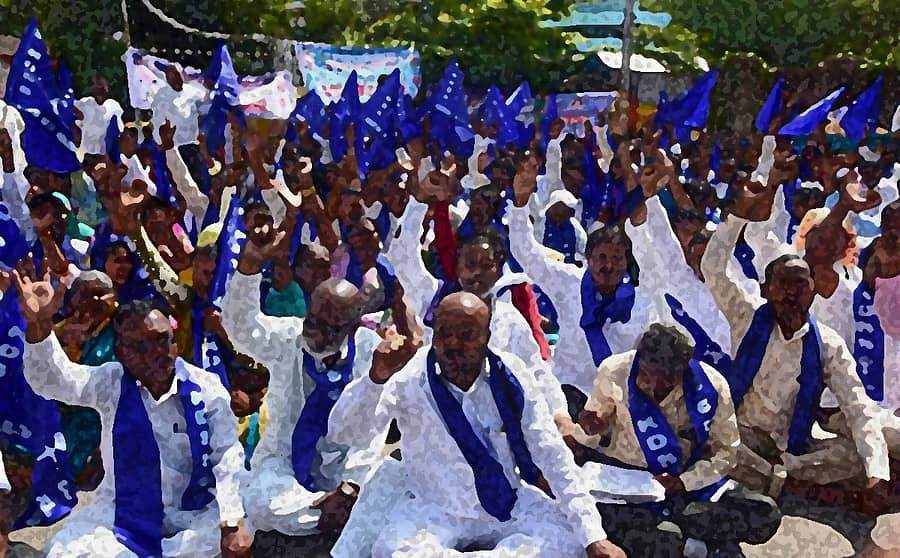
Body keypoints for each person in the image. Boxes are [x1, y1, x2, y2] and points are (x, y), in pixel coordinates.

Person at [333, 292, 626, 558]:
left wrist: (594, 538)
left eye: (466, 335)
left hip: (507, 503)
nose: (452, 344)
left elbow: (552, 456)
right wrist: (375, 381)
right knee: (394, 552)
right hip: (436, 506)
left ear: (487, 336)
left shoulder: (512, 377)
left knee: (569, 542)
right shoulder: (410, 376)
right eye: (444, 334)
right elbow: (345, 433)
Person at [10, 261, 250, 558]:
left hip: (193, 516)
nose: (157, 354)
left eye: (163, 340)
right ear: (122, 353)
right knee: (65, 552)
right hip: (121, 513)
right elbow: (53, 380)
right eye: (140, 347)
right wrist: (39, 325)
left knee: (235, 531)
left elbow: (226, 457)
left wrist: (230, 522)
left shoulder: (206, 389)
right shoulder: (111, 382)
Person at [700, 179, 894, 498]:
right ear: (765, 290)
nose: (791, 293)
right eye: (783, 284)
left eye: (800, 285)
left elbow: (857, 406)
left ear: (812, 291)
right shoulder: (747, 316)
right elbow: (714, 269)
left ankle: (775, 478)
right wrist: (736, 217)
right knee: (718, 438)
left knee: (855, 456)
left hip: (793, 447)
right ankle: (782, 482)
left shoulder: (826, 344)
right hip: (742, 432)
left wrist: (877, 473)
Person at [220, 225, 384, 541]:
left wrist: (350, 488)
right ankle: (323, 512)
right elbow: (240, 326)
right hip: (283, 462)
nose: (316, 333)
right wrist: (250, 268)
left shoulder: (369, 351)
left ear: (351, 329)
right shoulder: (290, 338)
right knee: (260, 501)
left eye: (330, 327)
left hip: (344, 467)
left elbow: (373, 430)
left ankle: (330, 510)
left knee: (385, 484)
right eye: (313, 321)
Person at [574, 324, 781, 558]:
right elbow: (594, 430)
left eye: (665, 380)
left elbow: (726, 453)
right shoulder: (615, 371)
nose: (654, 387)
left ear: (683, 370)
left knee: (765, 513)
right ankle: (701, 545)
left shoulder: (711, 386)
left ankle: (689, 540)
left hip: (686, 483)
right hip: (631, 483)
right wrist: (592, 428)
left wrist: (683, 482)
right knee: (663, 538)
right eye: (646, 375)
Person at [507, 152, 653, 403]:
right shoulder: (568, 282)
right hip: (567, 391)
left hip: (620, 400)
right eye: (601, 258)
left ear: (627, 262)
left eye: (617, 259)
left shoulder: (643, 303)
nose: (608, 266)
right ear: (588, 258)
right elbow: (525, 254)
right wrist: (520, 204)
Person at [73, 77, 123, 158]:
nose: (100, 89)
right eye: (97, 87)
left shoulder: (114, 106)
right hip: (84, 154)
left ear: (107, 88)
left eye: (102, 87)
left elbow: (120, 131)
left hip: (102, 155)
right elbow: (71, 111)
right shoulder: (85, 102)